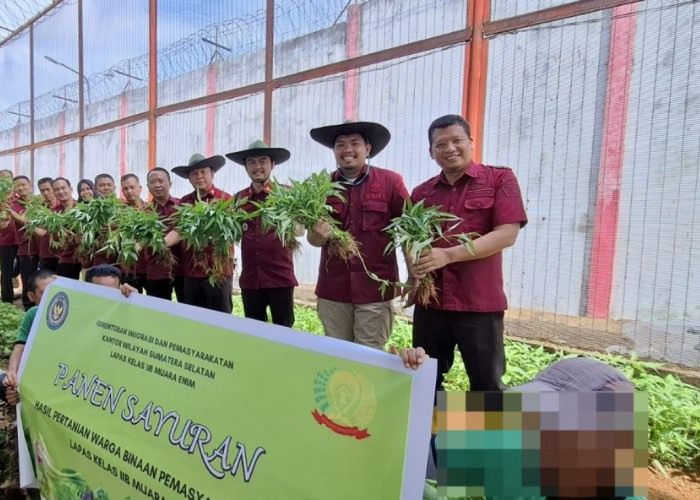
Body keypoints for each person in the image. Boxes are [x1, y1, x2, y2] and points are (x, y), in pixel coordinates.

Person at [409, 114, 527, 392]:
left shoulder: (500, 179)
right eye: (440, 144)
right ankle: (432, 436)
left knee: (485, 384)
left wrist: (449, 255)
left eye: (456, 140)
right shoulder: (421, 193)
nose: (449, 149)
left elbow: (507, 234)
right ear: (431, 152)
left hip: (478, 303)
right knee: (425, 380)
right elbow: (411, 239)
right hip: (431, 304)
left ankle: (480, 437)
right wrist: (413, 272)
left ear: (471, 143)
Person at [307, 121, 409, 349]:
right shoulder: (321, 187)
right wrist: (318, 236)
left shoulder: (390, 182)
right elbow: (312, 240)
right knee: (337, 354)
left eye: (355, 143)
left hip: (375, 290)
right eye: (340, 144)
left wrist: (414, 278)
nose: (347, 150)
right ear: (334, 151)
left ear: (368, 149)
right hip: (333, 291)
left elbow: (410, 231)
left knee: (369, 357)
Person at [1, 267, 136, 406]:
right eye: (101, 293)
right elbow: (21, 348)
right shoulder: (59, 313)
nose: (107, 299)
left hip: (93, 389)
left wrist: (136, 305)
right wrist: (14, 377)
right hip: (57, 380)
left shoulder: (121, 318)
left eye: (112, 293)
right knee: (6, 385)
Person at [226, 140, 300, 327]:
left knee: (284, 331)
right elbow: (231, 233)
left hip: (280, 278)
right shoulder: (239, 199)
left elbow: (300, 230)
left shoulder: (287, 195)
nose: (257, 167)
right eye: (251, 162)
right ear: (245, 166)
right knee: (254, 332)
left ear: (272, 164)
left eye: (263, 161)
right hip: (251, 279)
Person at [169, 154, 233, 313]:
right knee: (194, 319)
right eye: (194, 174)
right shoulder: (185, 203)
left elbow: (231, 232)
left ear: (212, 173)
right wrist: (159, 244)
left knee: (221, 319)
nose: (199, 177)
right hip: (192, 271)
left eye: (203, 172)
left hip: (219, 272)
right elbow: (178, 231)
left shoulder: (225, 200)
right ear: (189, 179)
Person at [144, 168, 183, 301]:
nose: (157, 185)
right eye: (152, 182)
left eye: (161, 181)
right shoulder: (144, 213)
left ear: (170, 184)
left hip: (181, 270)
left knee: (187, 311)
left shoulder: (182, 207)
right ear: (148, 186)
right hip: (156, 271)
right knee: (158, 312)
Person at [9, 176, 39, 310]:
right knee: (28, 281)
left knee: (42, 279)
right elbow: (25, 221)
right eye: (17, 186)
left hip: (43, 248)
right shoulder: (12, 205)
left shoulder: (39, 202)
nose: (21, 188)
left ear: (30, 186)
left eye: (23, 185)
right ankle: (28, 309)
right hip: (26, 248)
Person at [50, 178, 81, 279]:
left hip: (85, 259)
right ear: (54, 192)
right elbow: (54, 237)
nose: (60, 192)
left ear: (71, 189)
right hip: (66, 259)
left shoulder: (82, 208)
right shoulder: (52, 213)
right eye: (56, 189)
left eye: (63, 188)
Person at [120, 174, 147, 292]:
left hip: (149, 267)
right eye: (125, 189)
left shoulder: (150, 209)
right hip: (129, 268)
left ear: (140, 188)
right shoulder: (120, 212)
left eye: (132, 187)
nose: (129, 191)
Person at [0, 169, 19, 304]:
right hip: (5, 240)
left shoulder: (20, 200)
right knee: (6, 271)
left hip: (22, 240)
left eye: (7, 178)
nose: (4, 181)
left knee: (20, 269)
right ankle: (8, 301)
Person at [36, 177, 59, 272]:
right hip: (45, 253)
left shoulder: (65, 205)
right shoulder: (39, 208)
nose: (45, 193)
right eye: (42, 191)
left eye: (48, 189)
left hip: (62, 254)